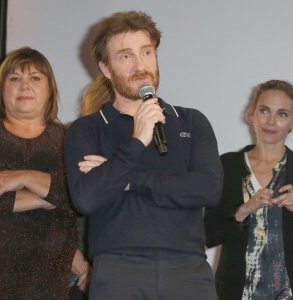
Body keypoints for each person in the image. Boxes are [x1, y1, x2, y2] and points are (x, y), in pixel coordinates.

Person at [65, 10, 223, 300]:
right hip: (119, 272)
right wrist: (137, 140)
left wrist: (127, 178)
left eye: (147, 52)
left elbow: (208, 189)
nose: (140, 65)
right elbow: (86, 199)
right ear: (106, 68)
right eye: (126, 56)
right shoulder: (88, 129)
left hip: (188, 271)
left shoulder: (190, 121)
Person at [0, 46, 78, 299]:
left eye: (35, 78)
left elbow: (84, 195)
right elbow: (71, 195)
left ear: (50, 88)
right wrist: (52, 197)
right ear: (1, 87)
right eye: (15, 78)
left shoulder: (69, 140)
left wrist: (22, 177)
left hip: (51, 283)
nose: (25, 85)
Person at [204, 80, 293, 299]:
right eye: (264, 111)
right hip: (235, 291)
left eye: (282, 114)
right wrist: (243, 210)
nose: (271, 121)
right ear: (251, 114)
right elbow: (209, 235)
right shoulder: (227, 166)